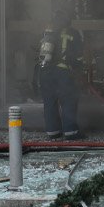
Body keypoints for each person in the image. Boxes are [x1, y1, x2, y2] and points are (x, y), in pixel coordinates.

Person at [38, 8, 84, 139]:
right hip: (63, 73)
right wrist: (78, 68)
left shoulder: (47, 33)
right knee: (68, 100)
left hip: (45, 72)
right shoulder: (73, 33)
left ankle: (52, 131)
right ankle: (71, 132)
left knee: (49, 102)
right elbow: (79, 56)